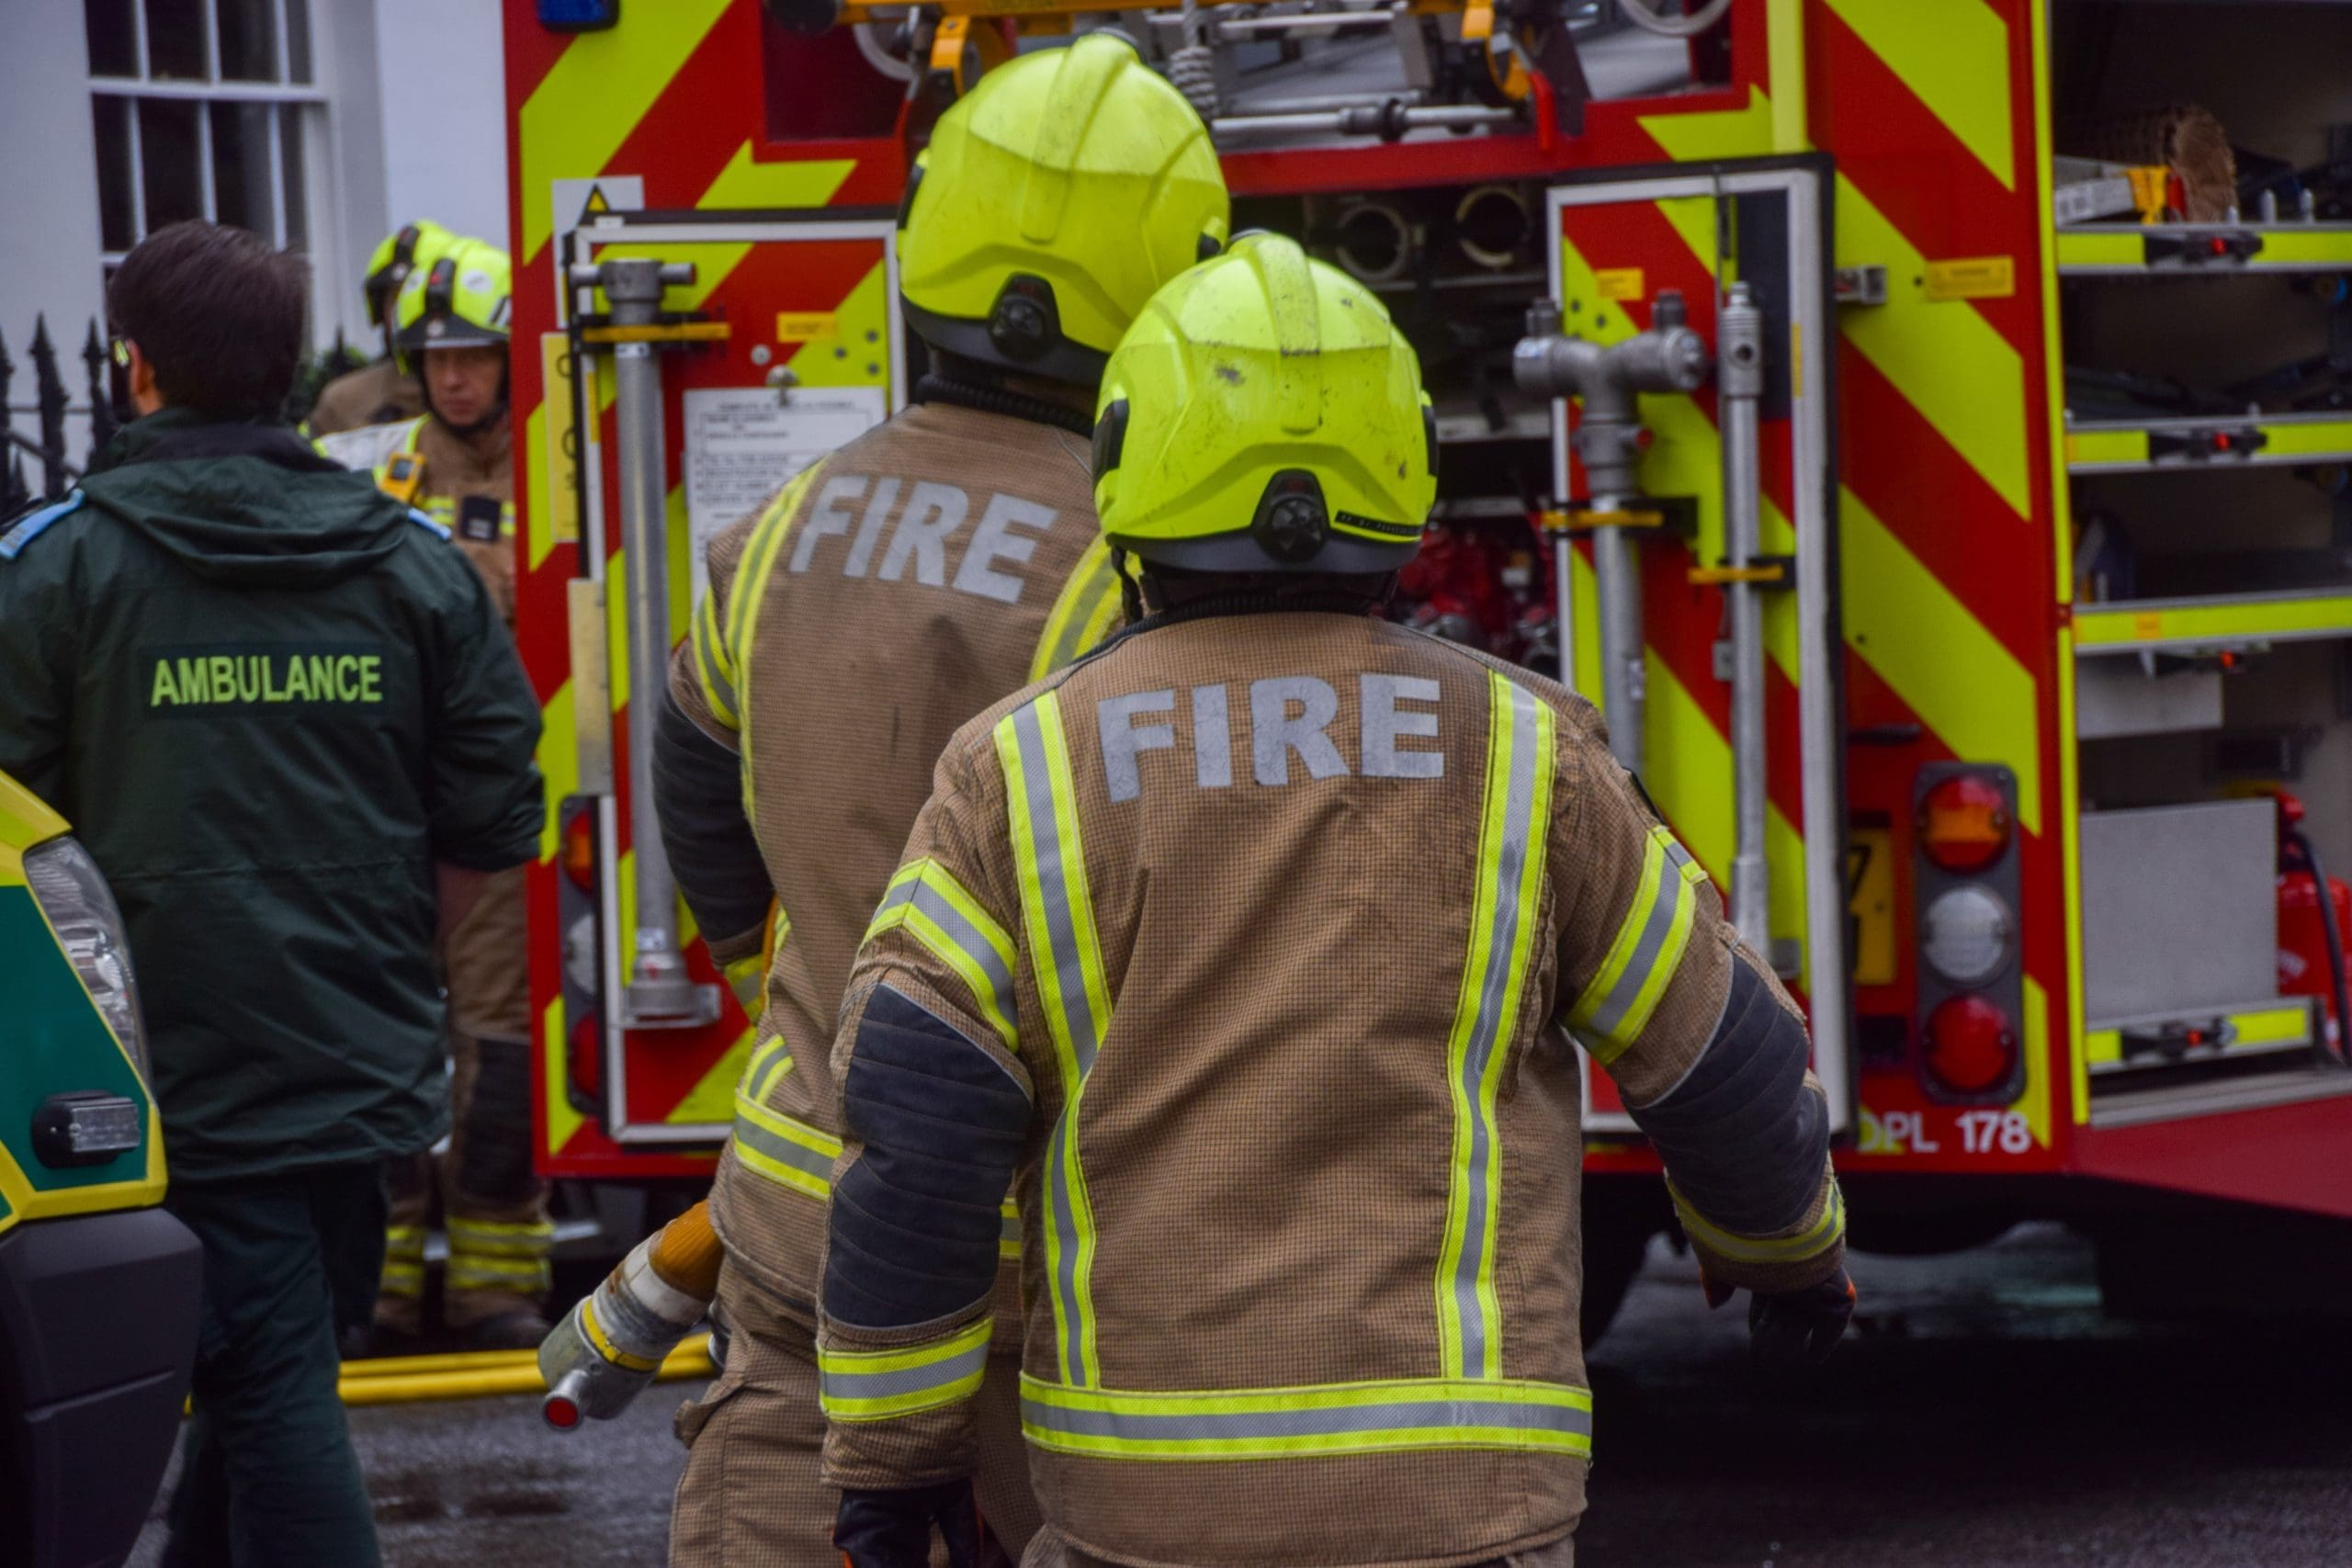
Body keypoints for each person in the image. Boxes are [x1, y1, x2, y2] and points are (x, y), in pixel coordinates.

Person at [811, 233, 1857, 1568]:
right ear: (1406, 478)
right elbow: (1723, 1055)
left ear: (1129, 475)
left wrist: (896, 1470)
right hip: (1462, 1505)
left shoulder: (1019, 769)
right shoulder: (1530, 754)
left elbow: (919, 1118)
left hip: (1145, 1506)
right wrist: (1789, 1257)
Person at [538, 33, 1226, 1566]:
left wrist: (775, 986)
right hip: (1057, 1237)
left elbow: (694, 777)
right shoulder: (1134, 575)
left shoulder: (782, 526)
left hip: (804, 1210)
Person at [0, 220, 543, 1566]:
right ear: (295, 374)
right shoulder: (417, 567)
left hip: (164, 1073)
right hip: (361, 1059)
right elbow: (492, 811)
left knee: (270, 1383)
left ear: (135, 373)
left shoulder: (55, 568)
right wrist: (383, 950)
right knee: (267, 1366)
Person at [319, 236, 549, 1349]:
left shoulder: (559, 464)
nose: (457, 377)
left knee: (500, 1039)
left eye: (478, 355)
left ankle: (500, 1275)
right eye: (437, 356)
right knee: (393, 1031)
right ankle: (384, 1274)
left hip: (501, 809)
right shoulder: (374, 466)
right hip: (389, 805)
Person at [304, 219, 451, 437]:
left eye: (414, 298)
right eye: (395, 300)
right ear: (378, 309)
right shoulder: (343, 402)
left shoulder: (486, 398)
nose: (403, 316)